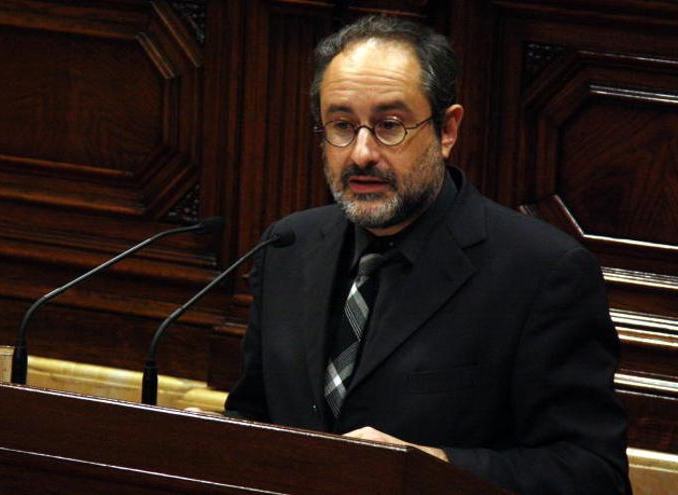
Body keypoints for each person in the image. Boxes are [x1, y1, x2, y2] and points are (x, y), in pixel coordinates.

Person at [224, 14, 630, 495]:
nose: (361, 153)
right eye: (341, 125)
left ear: (447, 130)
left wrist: (430, 468)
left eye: (389, 126)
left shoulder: (541, 271)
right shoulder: (288, 245)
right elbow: (253, 417)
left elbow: (592, 474)